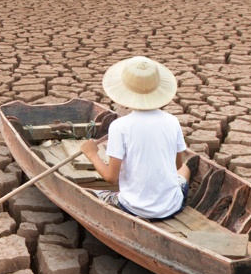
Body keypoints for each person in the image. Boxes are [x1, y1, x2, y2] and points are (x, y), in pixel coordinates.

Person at [80, 56, 191, 220]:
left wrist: (91, 154)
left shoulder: (120, 126)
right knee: (186, 169)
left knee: (94, 194)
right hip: (172, 206)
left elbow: (111, 178)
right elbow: (177, 165)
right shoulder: (172, 121)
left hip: (133, 208)